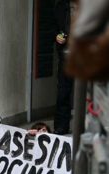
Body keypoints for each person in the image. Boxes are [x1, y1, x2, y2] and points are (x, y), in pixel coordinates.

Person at [54, 0, 74, 135]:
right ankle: (61, 127)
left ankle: (91, 129)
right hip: (67, 54)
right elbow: (54, 27)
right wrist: (57, 36)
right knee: (63, 92)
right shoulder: (60, 5)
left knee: (91, 94)